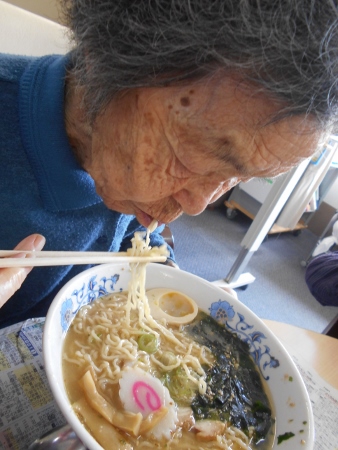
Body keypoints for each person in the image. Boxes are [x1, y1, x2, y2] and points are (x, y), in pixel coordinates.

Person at [1, 0, 338, 328]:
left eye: (235, 179)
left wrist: (168, 273)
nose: (198, 205)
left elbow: (130, 232)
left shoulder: (124, 168)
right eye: (193, 158)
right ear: (107, 59)